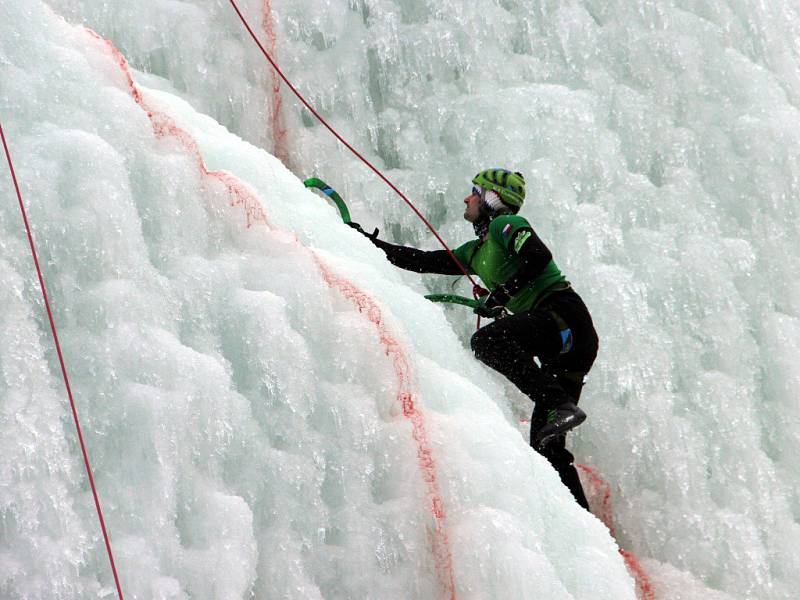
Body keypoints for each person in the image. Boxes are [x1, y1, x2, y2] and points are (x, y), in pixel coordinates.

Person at [349, 168, 598, 510]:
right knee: (547, 447)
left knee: (487, 342)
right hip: (572, 341)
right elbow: (420, 261)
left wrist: (502, 294)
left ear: (491, 200)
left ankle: (557, 403)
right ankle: (589, 529)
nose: (467, 198)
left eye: (474, 193)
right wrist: (366, 241)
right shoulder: (474, 252)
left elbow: (538, 256)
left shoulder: (504, 226)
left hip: (562, 316)